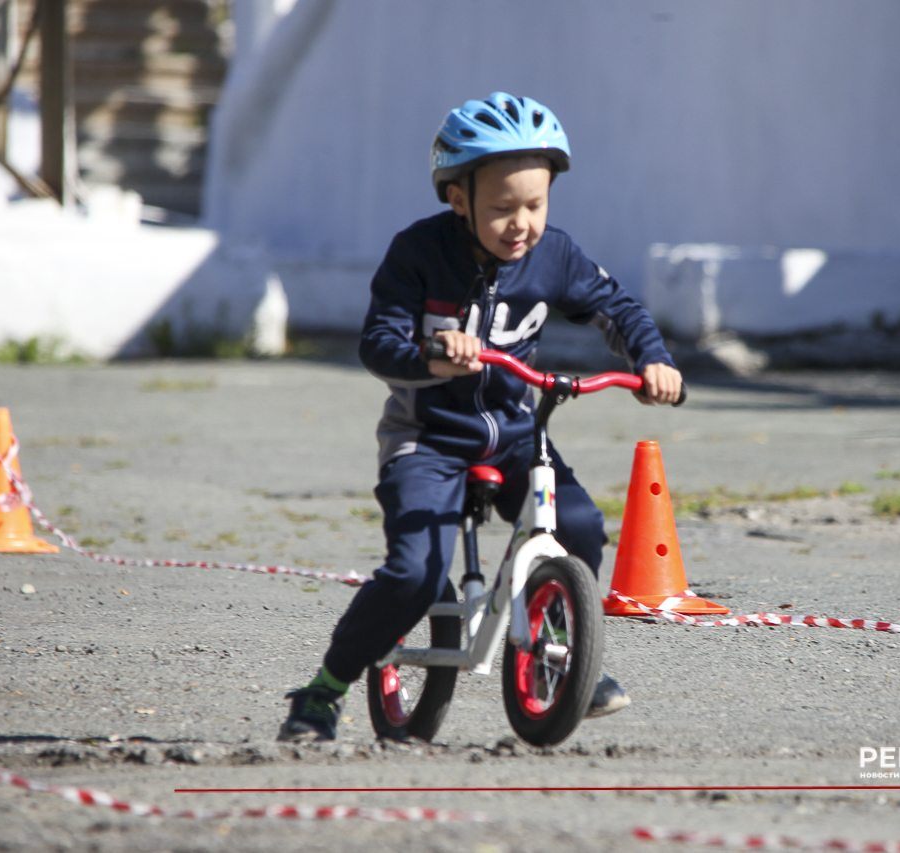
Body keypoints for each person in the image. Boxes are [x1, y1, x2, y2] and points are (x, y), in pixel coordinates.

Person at [278, 92, 684, 741]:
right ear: (458, 197)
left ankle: (560, 648)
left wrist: (653, 361)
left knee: (577, 521)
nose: (521, 223)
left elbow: (618, 308)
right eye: (501, 207)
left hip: (515, 431)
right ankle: (322, 690)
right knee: (415, 572)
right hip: (428, 438)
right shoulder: (418, 253)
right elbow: (377, 342)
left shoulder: (555, 255)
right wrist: (435, 356)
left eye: (535, 205)